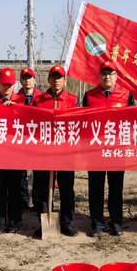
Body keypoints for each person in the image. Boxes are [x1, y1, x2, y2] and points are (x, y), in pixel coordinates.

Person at [83, 60, 136, 237]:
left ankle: (116, 222)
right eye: (104, 74)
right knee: (95, 187)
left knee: (116, 187)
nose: (107, 77)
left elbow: (133, 120)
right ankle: (97, 222)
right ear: (99, 76)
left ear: (116, 76)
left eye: (111, 73)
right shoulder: (89, 95)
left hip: (116, 150)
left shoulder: (126, 95)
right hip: (95, 150)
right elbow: (82, 122)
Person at [32, 65, 79, 238]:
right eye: (54, 77)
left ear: (65, 80)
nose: (57, 80)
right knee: (43, 189)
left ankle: (68, 223)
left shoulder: (73, 100)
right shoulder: (39, 101)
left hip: (65, 153)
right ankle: (44, 221)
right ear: (48, 80)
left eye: (60, 77)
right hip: (44, 153)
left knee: (67, 189)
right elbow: (32, 124)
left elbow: (79, 125)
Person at [0, 68, 25, 234]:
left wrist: (16, 109)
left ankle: (14, 221)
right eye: (3, 84)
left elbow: (30, 121)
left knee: (15, 189)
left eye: (9, 84)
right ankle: (0, 221)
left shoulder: (22, 101)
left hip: (16, 153)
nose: (6, 87)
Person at [19, 67, 43, 212]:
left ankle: (37, 201)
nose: (27, 80)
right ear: (21, 81)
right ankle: (22, 202)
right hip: (20, 141)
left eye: (30, 78)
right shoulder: (15, 99)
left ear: (34, 80)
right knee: (21, 173)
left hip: (38, 140)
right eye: (24, 78)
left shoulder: (42, 98)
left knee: (38, 173)